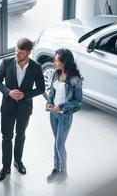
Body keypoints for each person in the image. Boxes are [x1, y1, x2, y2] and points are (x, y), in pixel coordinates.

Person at [0, 38, 45, 182]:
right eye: (16, 50)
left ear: (28, 52)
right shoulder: (6, 63)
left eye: (20, 52)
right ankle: (5, 167)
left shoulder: (36, 67)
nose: (17, 54)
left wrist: (26, 95)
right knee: (6, 137)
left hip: (24, 108)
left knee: (20, 135)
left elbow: (41, 88)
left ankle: (18, 161)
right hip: (8, 108)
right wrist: (8, 92)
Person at [45, 48, 83, 181]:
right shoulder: (56, 74)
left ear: (65, 62)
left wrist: (61, 107)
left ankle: (63, 171)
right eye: (54, 60)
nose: (54, 63)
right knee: (56, 142)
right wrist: (49, 103)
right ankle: (56, 167)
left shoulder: (74, 80)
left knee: (59, 144)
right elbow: (51, 92)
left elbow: (78, 102)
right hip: (53, 114)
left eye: (56, 61)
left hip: (65, 115)